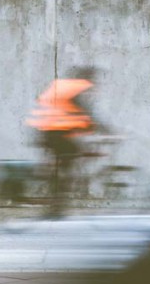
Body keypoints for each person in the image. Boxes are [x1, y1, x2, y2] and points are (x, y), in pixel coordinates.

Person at [25, 66, 103, 216]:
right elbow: (81, 110)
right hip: (54, 133)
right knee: (69, 163)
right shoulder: (75, 88)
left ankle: (56, 200)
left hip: (48, 132)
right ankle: (57, 203)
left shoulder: (64, 86)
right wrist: (100, 128)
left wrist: (88, 126)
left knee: (65, 163)